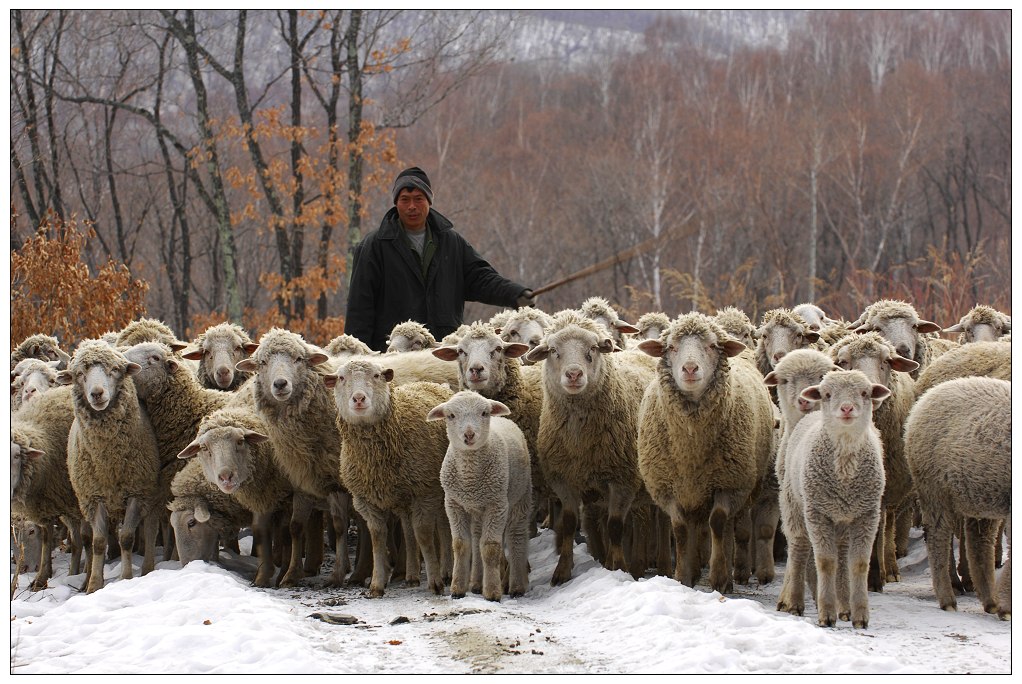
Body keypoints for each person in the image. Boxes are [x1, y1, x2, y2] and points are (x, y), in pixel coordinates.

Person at [344, 166, 536, 352]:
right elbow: (359, 309)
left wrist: (515, 294)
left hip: (444, 351)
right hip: (395, 355)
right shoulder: (374, 246)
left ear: (429, 201)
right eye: (405, 199)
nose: (412, 206)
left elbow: (481, 278)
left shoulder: (451, 242)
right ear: (396, 203)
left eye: (418, 199)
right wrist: (357, 357)